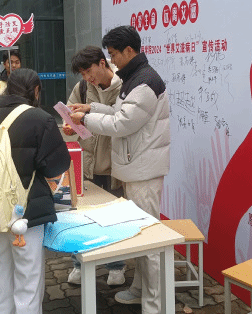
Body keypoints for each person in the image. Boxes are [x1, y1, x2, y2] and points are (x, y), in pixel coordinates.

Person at [70, 26, 170, 314]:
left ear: (129, 50)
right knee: (140, 235)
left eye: (113, 55)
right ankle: (140, 289)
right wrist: (90, 110)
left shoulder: (145, 82)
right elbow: (117, 112)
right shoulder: (134, 78)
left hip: (143, 171)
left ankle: (155, 304)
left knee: (150, 240)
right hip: (135, 168)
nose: (111, 60)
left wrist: (85, 120)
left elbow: (121, 124)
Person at [0, 68, 71, 314]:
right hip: (26, 214)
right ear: (36, 90)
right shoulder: (40, 118)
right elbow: (56, 166)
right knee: (27, 277)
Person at [63, 46, 126, 286]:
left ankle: (116, 266)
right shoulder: (81, 88)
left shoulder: (124, 86)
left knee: (114, 218)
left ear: (102, 63)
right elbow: (69, 113)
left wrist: (89, 112)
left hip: (113, 164)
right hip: (87, 164)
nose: (87, 77)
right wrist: (70, 126)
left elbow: (120, 118)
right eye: (82, 74)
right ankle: (80, 263)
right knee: (82, 218)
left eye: (88, 71)